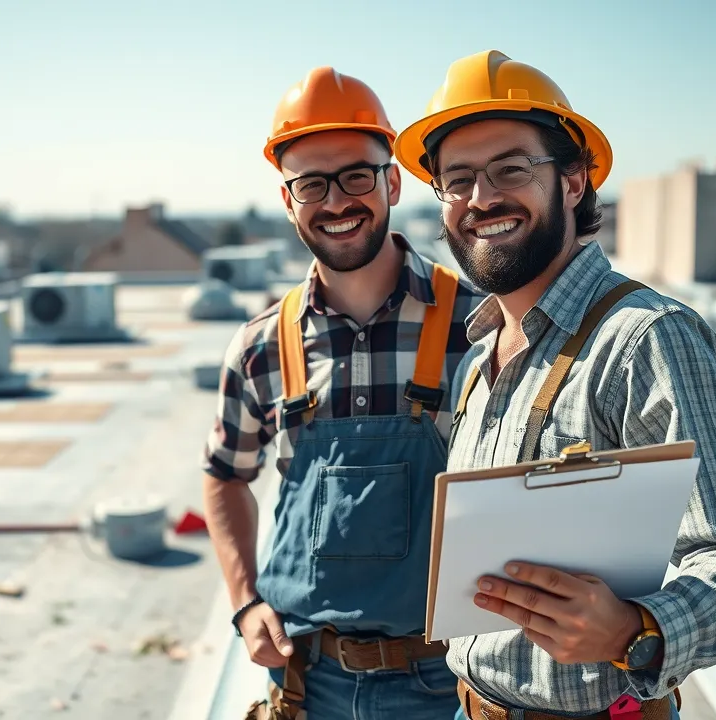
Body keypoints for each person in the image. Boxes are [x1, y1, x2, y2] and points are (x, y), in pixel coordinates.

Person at [391, 50, 716, 720]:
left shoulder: (644, 339)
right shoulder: (477, 358)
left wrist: (637, 631)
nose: (481, 198)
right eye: (457, 179)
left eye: (511, 169)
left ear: (576, 180)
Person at [201, 66, 487, 720]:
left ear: (392, 180)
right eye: (311, 183)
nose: (336, 201)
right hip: (307, 684)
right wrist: (246, 603)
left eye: (357, 175)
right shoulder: (260, 347)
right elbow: (223, 476)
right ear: (288, 199)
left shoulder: (480, 327)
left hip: (451, 684)